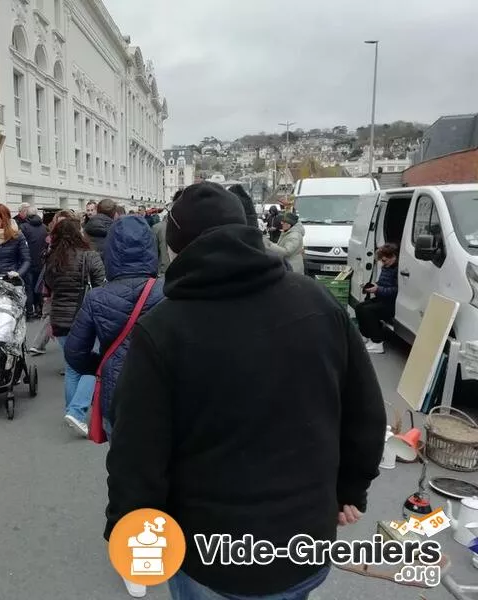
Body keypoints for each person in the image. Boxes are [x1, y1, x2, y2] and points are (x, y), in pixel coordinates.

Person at [104, 182, 386, 600]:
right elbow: (365, 412)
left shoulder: (164, 329)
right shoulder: (316, 302)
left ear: (175, 247)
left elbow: (137, 453)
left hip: (210, 552)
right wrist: (350, 487)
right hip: (303, 539)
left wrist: (129, 530)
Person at [66, 215, 165, 436]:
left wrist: (102, 363)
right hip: (160, 388)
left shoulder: (97, 296)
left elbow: (74, 351)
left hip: (117, 391)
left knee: (121, 459)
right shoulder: (167, 290)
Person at [43, 218, 105, 436]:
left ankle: (71, 411)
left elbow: (49, 286)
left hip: (60, 318)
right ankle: (77, 412)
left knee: (72, 367)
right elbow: (100, 286)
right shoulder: (90, 256)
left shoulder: (52, 258)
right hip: (85, 318)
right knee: (92, 366)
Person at [29, 210, 73, 356]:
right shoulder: (51, 239)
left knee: (57, 317)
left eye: (63, 222)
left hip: (67, 285)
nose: (60, 225)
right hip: (51, 281)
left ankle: (40, 345)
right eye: (58, 221)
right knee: (47, 312)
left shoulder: (74, 242)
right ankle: (39, 344)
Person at [355, 243, 399, 354]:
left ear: (393, 256)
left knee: (367, 311)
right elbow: (383, 284)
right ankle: (366, 335)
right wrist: (372, 286)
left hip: (391, 303)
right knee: (359, 307)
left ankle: (377, 342)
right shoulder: (387, 267)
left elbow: (396, 290)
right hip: (382, 299)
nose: (383, 263)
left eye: (385, 261)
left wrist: (378, 289)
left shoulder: (397, 270)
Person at [20, 207, 48, 319]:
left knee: (29, 287)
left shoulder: (23, 227)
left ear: (26, 214)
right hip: (41, 261)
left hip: (28, 262)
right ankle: (40, 309)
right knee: (40, 286)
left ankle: (30, 312)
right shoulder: (44, 227)